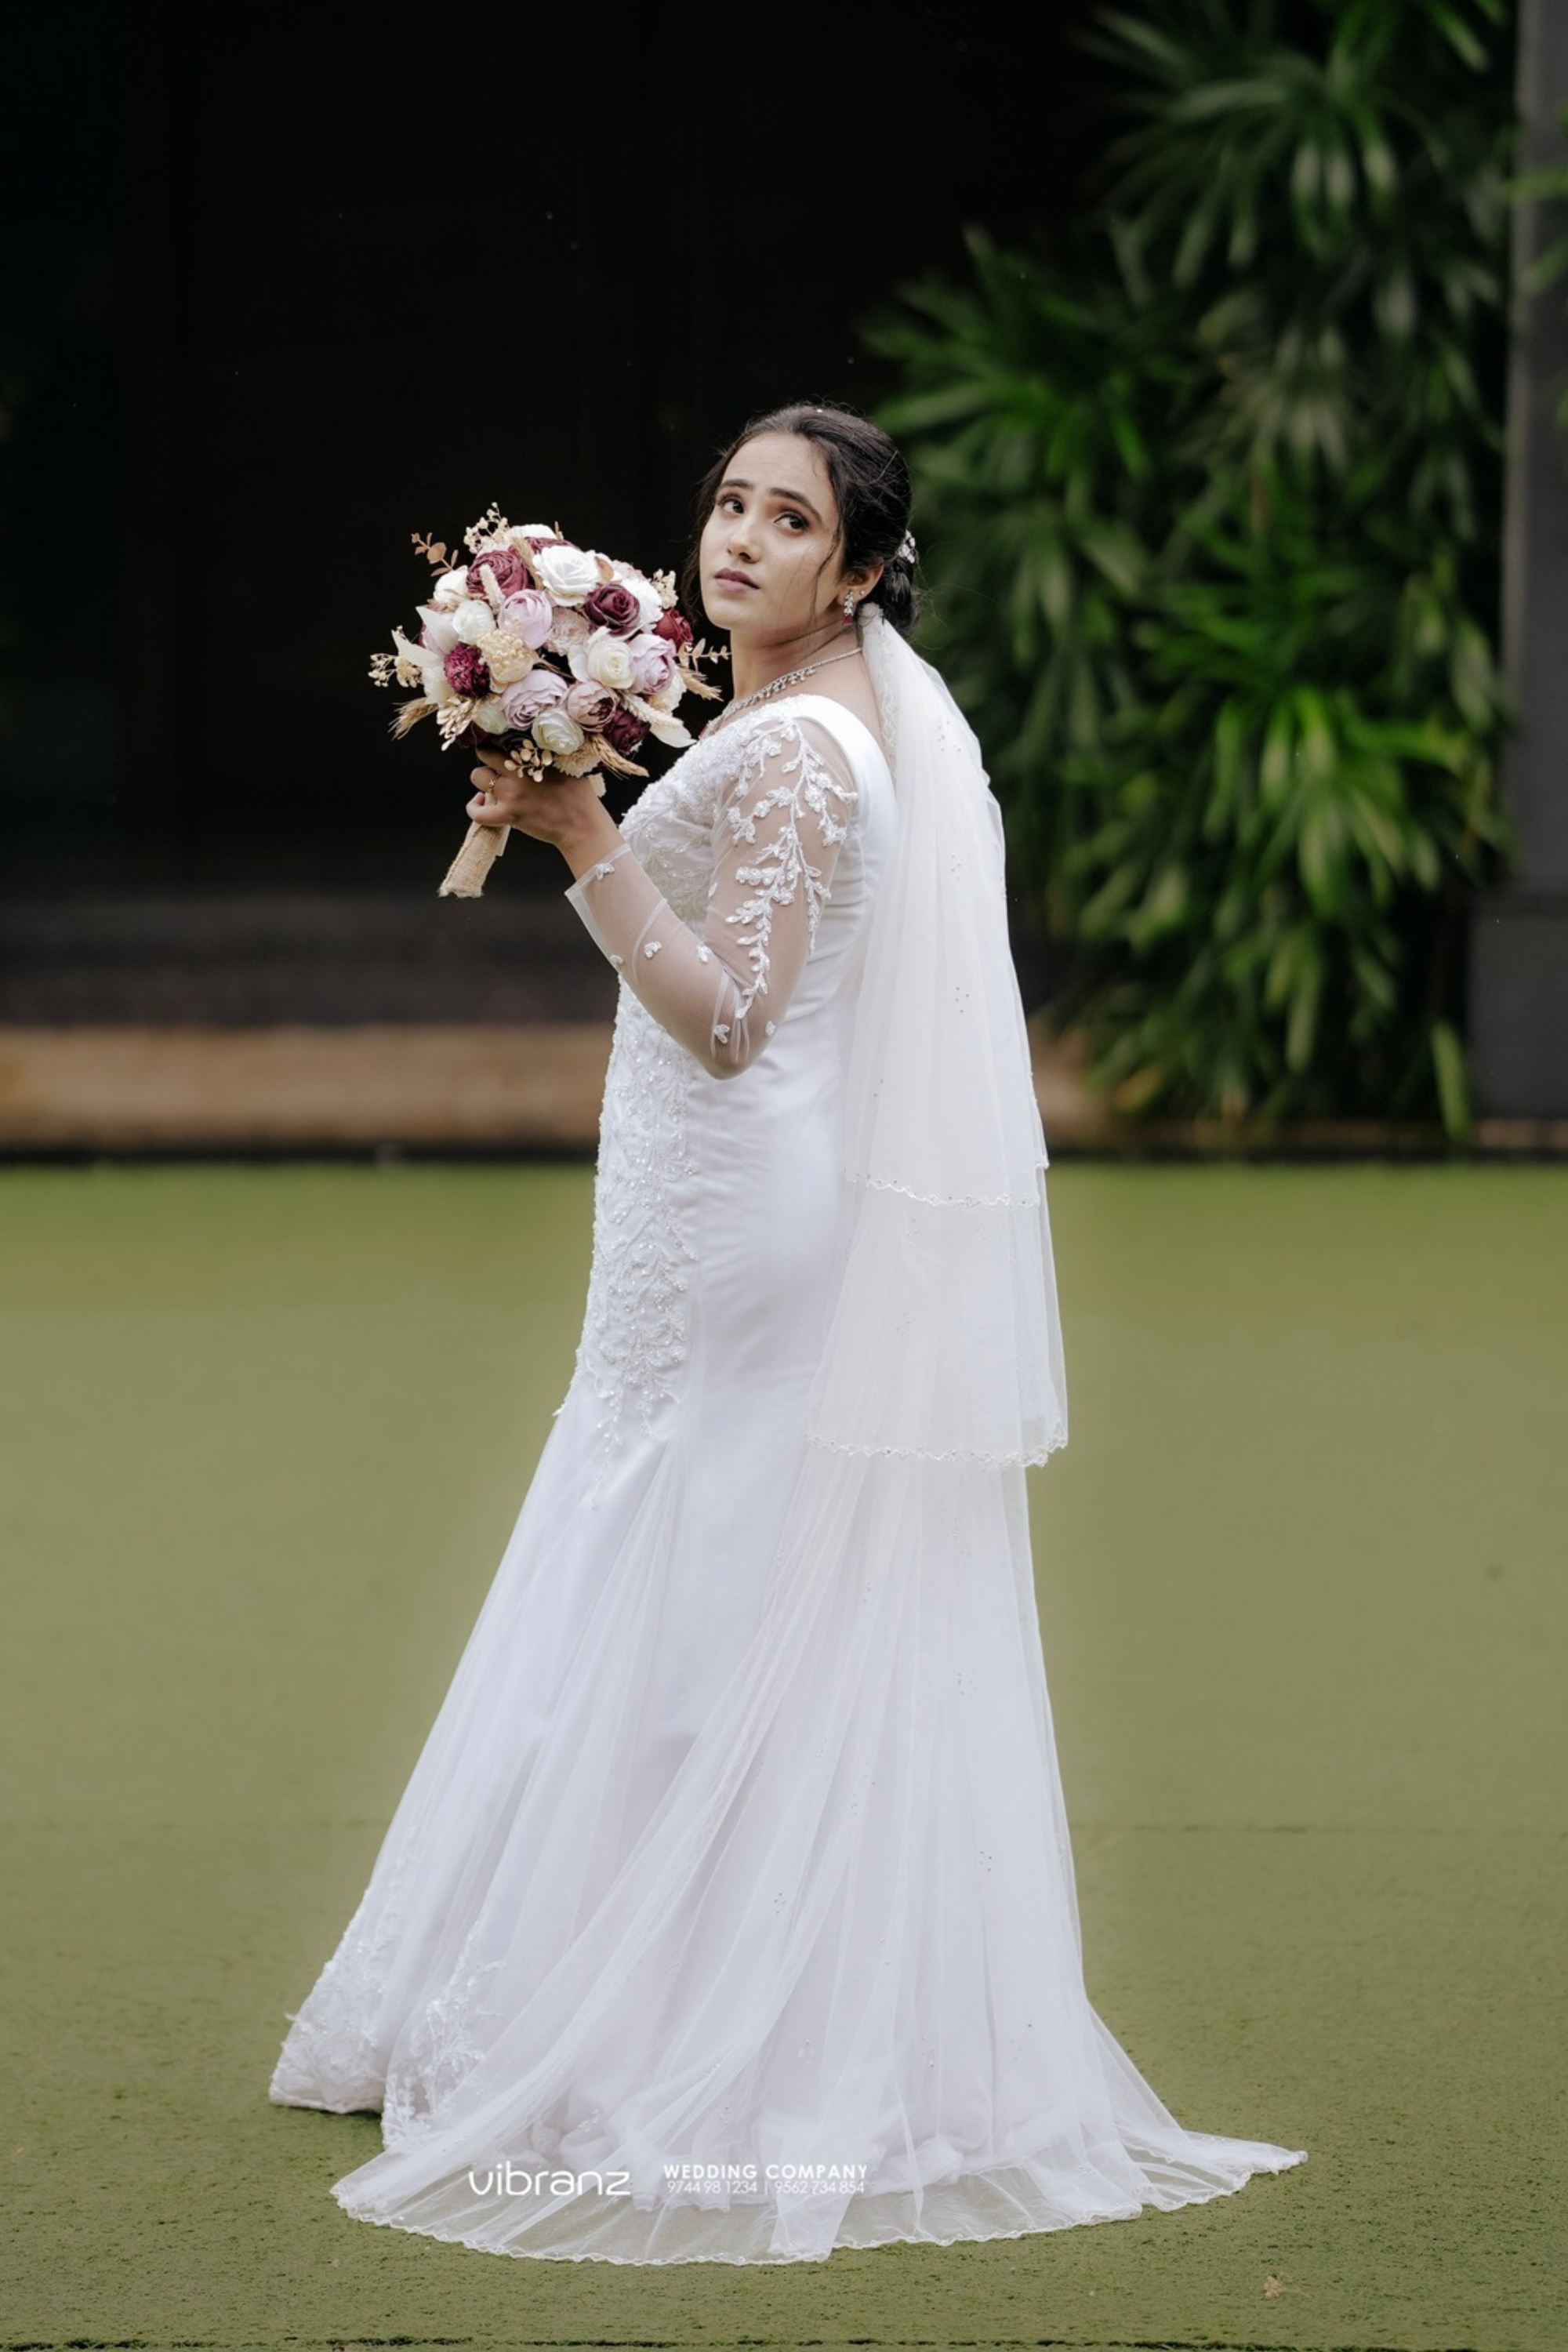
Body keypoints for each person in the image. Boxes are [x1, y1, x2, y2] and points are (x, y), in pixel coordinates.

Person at [268, 400, 1307, 2263]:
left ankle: (667, 2013)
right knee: (653, 1520)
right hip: (700, 1199)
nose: (740, 539)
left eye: (790, 519)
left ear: (861, 568)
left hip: (745, 1203)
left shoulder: (815, 746)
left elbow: (734, 1018)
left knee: (700, 1554)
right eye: (730, 504)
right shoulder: (790, 713)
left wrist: (583, 830)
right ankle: (564, 1971)